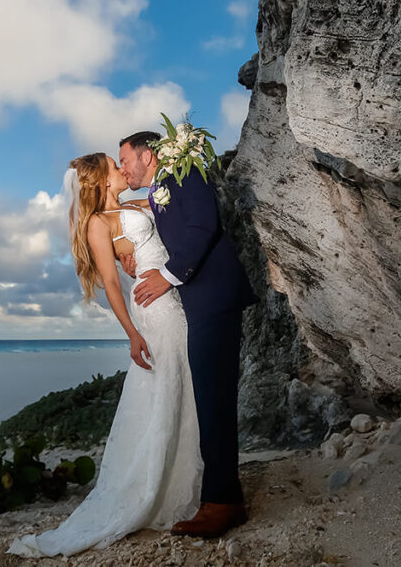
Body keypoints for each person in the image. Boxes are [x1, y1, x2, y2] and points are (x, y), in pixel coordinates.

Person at [7, 152, 202, 558]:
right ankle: (156, 488)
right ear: (102, 180)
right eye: (115, 166)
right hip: (151, 309)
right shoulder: (98, 223)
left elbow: (162, 209)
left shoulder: (132, 204)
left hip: (169, 295)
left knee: (180, 381)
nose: (121, 168)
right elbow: (112, 284)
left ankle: (185, 479)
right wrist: (131, 334)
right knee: (166, 382)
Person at [118, 130, 257, 538]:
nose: (123, 167)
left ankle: (223, 503)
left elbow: (203, 226)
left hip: (213, 296)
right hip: (199, 302)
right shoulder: (162, 186)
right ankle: (221, 495)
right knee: (208, 398)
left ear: (147, 155)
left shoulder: (185, 173)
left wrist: (166, 276)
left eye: (125, 159)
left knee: (213, 400)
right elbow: (164, 226)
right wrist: (135, 255)